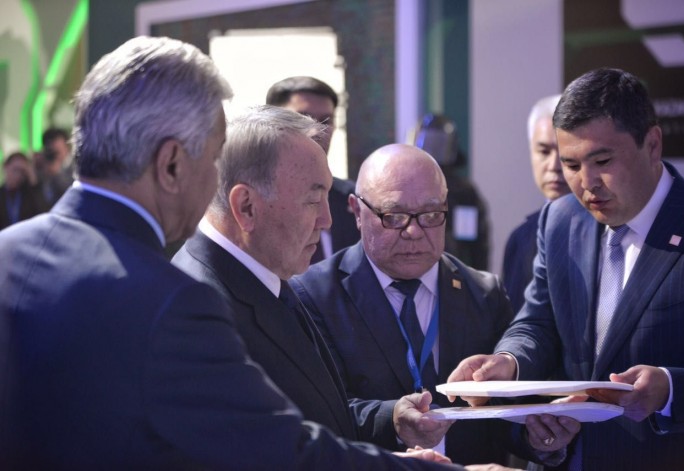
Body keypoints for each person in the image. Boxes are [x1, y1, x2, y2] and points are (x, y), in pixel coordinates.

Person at [0, 35, 458, 470]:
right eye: (215, 156)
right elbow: (281, 453)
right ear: (171, 164)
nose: (217, 180)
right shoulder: (174, 300)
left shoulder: (9, 252)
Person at [448, 68, 684, 470]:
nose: (587, 183)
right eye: (571, 164)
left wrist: (672, 389)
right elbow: (538, 322)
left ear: (653, 144)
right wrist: (509, 361)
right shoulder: (560, 220)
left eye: (602, 161)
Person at [172, 105, 452, 455]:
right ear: (246, 207)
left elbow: (317, 416)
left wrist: (391, 419)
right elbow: (274, 452)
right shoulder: (197, 311)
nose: (327, 220)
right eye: (313, 200)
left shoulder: (266, 276)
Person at [290, 143, 580, 466]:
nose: (414, 231)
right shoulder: (312, 296)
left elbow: (501, 415)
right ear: (357, 211)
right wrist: (392, 419)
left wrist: (538, 437)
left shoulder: (482, 293)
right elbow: (316, 415)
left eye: (431, 215)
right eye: (394, 217)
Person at [266, 75, 359, 263]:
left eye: (326, 121)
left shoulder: (354, 201)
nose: (317, 131)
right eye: (303, 119)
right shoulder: (253, 201)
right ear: (271, 124)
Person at [502, 95, 570, 313]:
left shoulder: (610, 233)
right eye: (544, 151)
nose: (554, 165)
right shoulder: (520, 238)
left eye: (565, 153)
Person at [410, 113, 490, 270]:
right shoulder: (406, 187)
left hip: (455, 270)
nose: (434, 150)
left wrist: (475, 280)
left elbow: (476, 246)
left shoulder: (464, 194)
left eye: (439, 144)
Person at [0, 151, 48, 229]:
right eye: (15, 169)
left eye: (22, 172)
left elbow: (44, 214)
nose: (18, 175)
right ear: (6, 167)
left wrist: (33, 179)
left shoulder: (29, 195)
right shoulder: (2, 194)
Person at [34, 127, 74, 206]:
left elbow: (73, 192)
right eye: (50, 151)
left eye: (57, 152)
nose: (53, 156)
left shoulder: (77, 166)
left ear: (67, 146)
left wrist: (57, 174)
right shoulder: (43, 166)